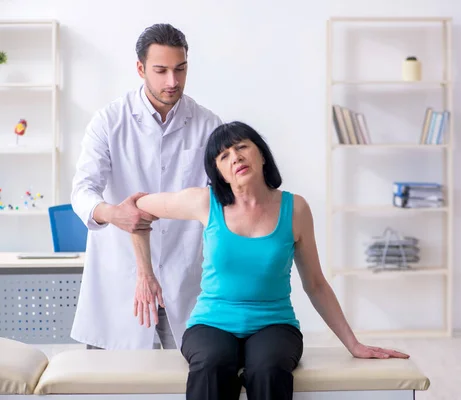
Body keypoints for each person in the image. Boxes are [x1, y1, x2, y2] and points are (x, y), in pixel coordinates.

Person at [130, 121, 410, 400]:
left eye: (242, 147)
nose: (235, 157)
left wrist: (353, 344)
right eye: (224, 156)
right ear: (219, 173)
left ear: (261, 155)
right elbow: (135, 210)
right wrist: (145, 273)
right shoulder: (205, 202)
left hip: (274, 324)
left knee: (267, 369)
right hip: (212, 322)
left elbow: (315, 284)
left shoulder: (295, 208)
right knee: (212, 365)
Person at [70, 23, 222, 350]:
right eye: (161, 70)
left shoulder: (209, 125)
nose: (173, 81)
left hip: (185, 280)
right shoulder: (109, 121)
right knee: (112, 385)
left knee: (184, 382)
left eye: (180, 69)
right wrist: (113, 213)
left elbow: (223, 199)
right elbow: (83, 190)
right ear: (140, 69)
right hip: (119, 282)